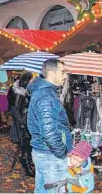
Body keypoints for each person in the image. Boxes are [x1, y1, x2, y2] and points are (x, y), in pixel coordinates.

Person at [27, 59, 72, 193]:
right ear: (52, 72)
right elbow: (48, 132)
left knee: (41, 190)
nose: (65, 75)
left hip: (44, 152)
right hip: (51, 155)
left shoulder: (45, 92)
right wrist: (62, 153)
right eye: (63, 71)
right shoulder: (46, 96)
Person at [8, 72, 35, 177]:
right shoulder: (20, 92)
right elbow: (14, 109)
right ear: (26, 81)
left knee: (27, 144)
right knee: (26, 144)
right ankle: (27, 167)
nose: (32, 81)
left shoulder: (24, 90)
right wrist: (22, 124)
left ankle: (26, 162)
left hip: (26, 120)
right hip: (23, 121)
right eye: (31, 79)